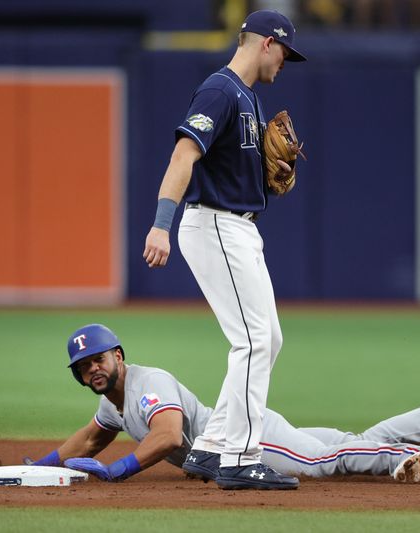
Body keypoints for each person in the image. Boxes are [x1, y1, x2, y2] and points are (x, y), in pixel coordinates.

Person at [141, 10, 307, 490]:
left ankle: (213, 446)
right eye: (284, 52)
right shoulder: (220, 91)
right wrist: (159, 226)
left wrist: (265, 178)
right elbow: (183, 156)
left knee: (266, 339)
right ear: (265, 44)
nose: (285, 63)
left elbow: (233, 170)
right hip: (214, 223)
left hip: (238, 226)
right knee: (253, 340)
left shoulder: (250, 99)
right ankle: (241, 457)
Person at [27, 324, 420, 488]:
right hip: (251, 431)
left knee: (323, 464)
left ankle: (402, 459)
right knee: (350, 443)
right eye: (83, 365)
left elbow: (169, 436)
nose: (93, 368)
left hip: (251, 442)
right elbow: (90, 437)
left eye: (99, 358)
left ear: (119, 356)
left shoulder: (147, 384)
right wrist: (38, 467)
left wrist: (120, 469)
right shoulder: (114, 403)